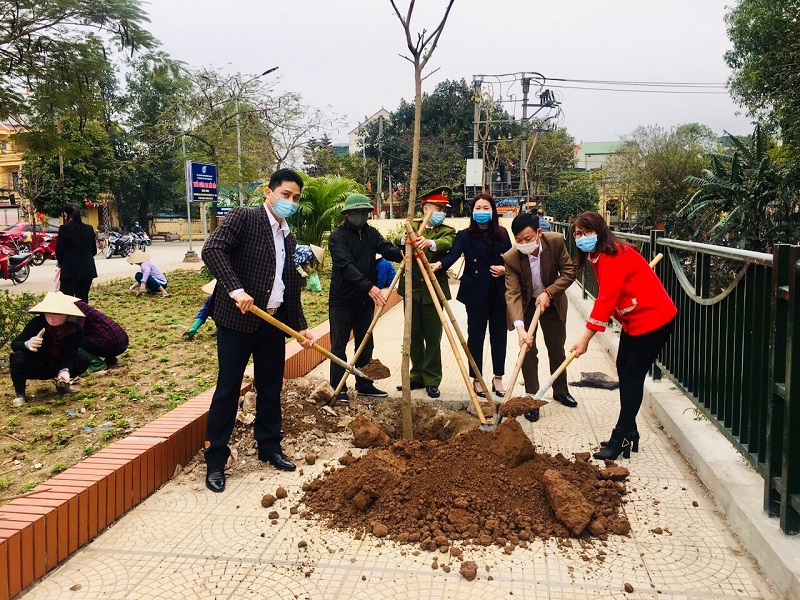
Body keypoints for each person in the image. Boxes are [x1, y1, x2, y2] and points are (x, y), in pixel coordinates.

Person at [201, 168, 314, 493]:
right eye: (285, 195)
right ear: (269, 192)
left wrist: (301, 328)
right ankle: (216, 460)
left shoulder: (287, 236)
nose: (290, 202)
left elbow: (289, 284)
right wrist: (237, 290)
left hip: (270, 324)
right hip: (237, 321)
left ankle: (269, 446)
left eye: (295, 198)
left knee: (269, 386)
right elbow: (213, 250)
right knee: (228, 388)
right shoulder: (245, 217)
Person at [568, 211, 677, 460]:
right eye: (577, 234)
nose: (581, 238)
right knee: (624, 370)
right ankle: (631, 429)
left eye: (586, 232)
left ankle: (621, 436)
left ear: (600, 231)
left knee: (633, 375)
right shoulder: (597, 256)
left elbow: (605, 300)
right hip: (634, 320)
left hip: (654, 319)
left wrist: (585, 339)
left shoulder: (612, 255)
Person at [431, 192, 512, 398]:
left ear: (493, 211)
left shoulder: (502, 234)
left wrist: (504, 269)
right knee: (475, 336)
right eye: (478, 208)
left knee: (499, 335)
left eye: (486, 208)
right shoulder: (464, 235)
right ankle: (476, 378)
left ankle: (498, 377)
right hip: (475, 292)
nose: (482, 212)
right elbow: (453, 254)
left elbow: (513, 260)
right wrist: (440, 264)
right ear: (472, 211)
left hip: (498, 292)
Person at [328, 193, 403, 402]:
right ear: (348, 213)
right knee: (338, 345)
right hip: (342, 299)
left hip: (364, 301)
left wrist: (403, 252)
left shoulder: (371, 233)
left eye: (364, 212)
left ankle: (364, 383)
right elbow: (345, 266)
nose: (360, 215)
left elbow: (386, 248)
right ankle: (339, 387)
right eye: (356, 212)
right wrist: (370, 287)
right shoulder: (337, 237)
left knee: (365, 342)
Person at [504, 211, 577, 422]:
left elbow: (569, 271)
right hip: (527, 307)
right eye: (518, 240)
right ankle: (532, 398)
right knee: (528, 351)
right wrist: (520, 328)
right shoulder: (511, 257)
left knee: (556, 348)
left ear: (538, 233)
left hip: (552, 303)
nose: (524, 243)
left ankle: (561, 390)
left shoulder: (555, 242)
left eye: (528, 239)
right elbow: (513, 293)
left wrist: (549, 292)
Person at [395, 187, 456, 399]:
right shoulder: (411, 227)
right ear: (425, 208)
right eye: (437, 208)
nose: (441, 212)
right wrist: (405, 240)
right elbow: (397, 244)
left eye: (443, 209)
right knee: (413, 335)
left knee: (433, 337)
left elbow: (446, 244)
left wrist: (429, 243)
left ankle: (432, 379)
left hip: (433, 292)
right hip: (412, 290)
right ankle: (416, 375)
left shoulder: (446, 231)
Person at [9, 292, 89, 407]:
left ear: (66, 315)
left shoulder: (75, 330)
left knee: (83, 360)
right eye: (48, 313)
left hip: (56, 365)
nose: (51, 317)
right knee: (18, 357)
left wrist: (65, 370)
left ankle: (62, 386)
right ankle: (20, 394)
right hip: (37, 365)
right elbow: (15, 344)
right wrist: (27, 344)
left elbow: (70, 354)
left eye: (56, 314)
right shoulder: (37, 323)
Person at [56, 203, 98, 302]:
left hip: (70, 270)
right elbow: (94, 251)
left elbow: (59, 250)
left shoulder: (64, 229)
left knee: (67, 301)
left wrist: (62, 263)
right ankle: (82, 318)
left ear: (66, 215)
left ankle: (69, 318)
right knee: (83, 300)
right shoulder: (89, 228)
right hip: (87, 270)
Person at [74, 300, 129, 370]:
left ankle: (97, 364)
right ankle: (110, 359)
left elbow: (76, 331)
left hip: (110, 345)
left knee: (73, 339)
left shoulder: (76, 310)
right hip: (123, 343)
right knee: (100, 332)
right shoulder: (82, 305)